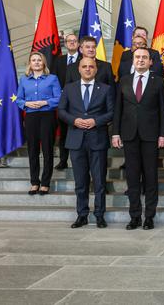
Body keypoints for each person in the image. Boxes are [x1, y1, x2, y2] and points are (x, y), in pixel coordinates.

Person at [112, 47, 164, 231]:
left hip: (151, 136)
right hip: (129, 135)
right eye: (138, 57)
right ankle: (134, 216)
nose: (141, 60)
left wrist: (162, 134)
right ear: (132, 60)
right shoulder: (124, 81)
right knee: (132, 177)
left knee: (151, 177)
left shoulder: (158, 82)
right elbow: (118, 109)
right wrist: (115, 133)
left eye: (145, 57)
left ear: (151, 61)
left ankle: (149, 217)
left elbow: (162, 111)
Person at [58, 57, 114, 229]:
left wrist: (96, 121)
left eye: (91, 66)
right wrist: (74, 120)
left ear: (96, 69)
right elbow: (61, 110)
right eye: (84, 67)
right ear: (79, 69)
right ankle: (82, 215)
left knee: (99, 181)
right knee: (80, 182)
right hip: (76, 140)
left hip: (97, 140)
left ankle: (99, 215)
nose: (88, 69)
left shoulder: (106, 89)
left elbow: (112, 112)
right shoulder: (69, 88)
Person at [16, 52, 61, 195]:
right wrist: (27, 103)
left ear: (43, 63)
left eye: (39, 60)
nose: (36, 62)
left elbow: (59, 98)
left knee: (47, 150)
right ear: (30, 63)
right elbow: (18, 100)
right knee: (33, 150)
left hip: (47, 116)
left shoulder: (52, 79)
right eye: (33, 60)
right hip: (30, 117)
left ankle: (45, 183)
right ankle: (34, 182)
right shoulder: (24, 80)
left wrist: (45, 102)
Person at [51, 33, 79, 170]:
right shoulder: (59, 60)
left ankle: (77, 160)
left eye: (75, 41)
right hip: (63, 102)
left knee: (77, 132)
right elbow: (53, 79)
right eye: (69, 41)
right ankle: (63, 160)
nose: (72, 43)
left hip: (80, 102)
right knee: (63, 133)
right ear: (66, 44)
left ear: (78, 44)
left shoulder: (84, 60)